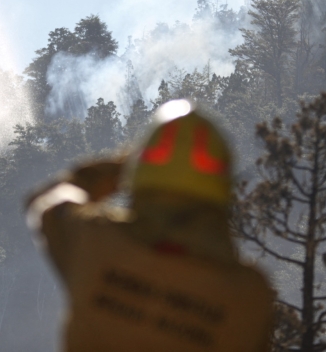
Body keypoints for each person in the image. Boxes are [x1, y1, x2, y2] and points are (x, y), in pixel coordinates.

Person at [26, 99, 274, 352]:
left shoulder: (94, 241)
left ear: (140, 177)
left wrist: (118, 169)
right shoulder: (250, 297)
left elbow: (46, 203)